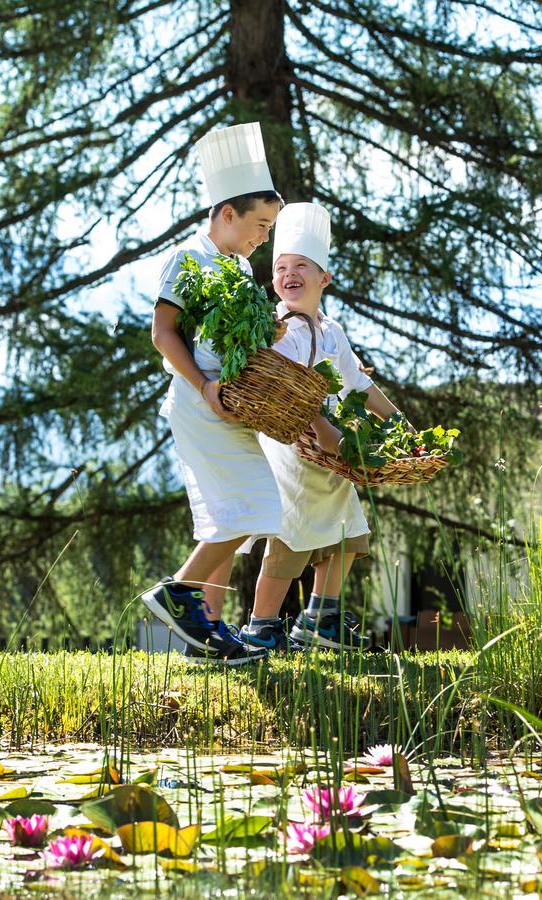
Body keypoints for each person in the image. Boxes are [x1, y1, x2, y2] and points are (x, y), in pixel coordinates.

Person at [141, 122, 284, 665]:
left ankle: (210, 636)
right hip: (199, 403)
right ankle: (177, 592)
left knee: (229, 516)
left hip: (233, 407)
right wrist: (204, 386)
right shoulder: (188, 259)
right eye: (260, 223)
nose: (264, 236)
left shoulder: (242, 268)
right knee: (258, 509)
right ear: (228, 213)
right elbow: (163, 333)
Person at [239, 202, 411, 652]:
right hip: (296, 450)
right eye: (280, 268)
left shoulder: (330, 329)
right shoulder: (283, 330)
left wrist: (396, 421)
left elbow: (356, 380)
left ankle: (321, 617)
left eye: (300, 266)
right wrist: (322, 428)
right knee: (290, 540)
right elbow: (289, 388)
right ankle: (261, 625)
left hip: (330, 454)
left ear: (324, 279)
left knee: (347, 534)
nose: (288, 274)